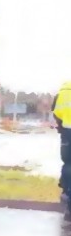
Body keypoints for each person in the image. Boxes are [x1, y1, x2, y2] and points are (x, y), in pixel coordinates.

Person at [53, 82, 71, 217]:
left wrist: (61, 126)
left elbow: (55, 113)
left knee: (68, 163)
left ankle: (66, 192)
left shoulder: (62, 93)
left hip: (66, 133)